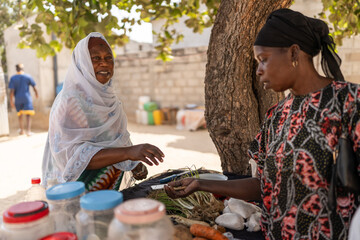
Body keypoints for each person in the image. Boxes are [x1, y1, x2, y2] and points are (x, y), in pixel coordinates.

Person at [165, 8, 360, 240]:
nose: (258, 70)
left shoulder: (350, 103)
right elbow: (264, 187)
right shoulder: (276, 116)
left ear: (294, 53)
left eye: (263, 60)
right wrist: (200, 184)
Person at [42, 32, 164, 191]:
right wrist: (129, 153)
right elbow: (71, 159)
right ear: (83, 62)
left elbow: (116, 139)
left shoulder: (110, 99)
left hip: (106, 186)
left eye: (108, 58)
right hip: (75, 192)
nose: (104, 63)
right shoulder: (70, 101)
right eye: (96, 59)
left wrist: (133, 164)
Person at [9, 63, 39, 136]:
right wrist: (36, 94)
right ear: (23, 69)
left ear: (16, 69)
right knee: (28, 114)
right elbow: (34, 87)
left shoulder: (13, 78)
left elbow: (12, 91)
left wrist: (11, 101)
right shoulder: (28, 76)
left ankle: (22, 130)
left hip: (18, 98)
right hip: (26, 98)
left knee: (20, 114)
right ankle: (28, 131)